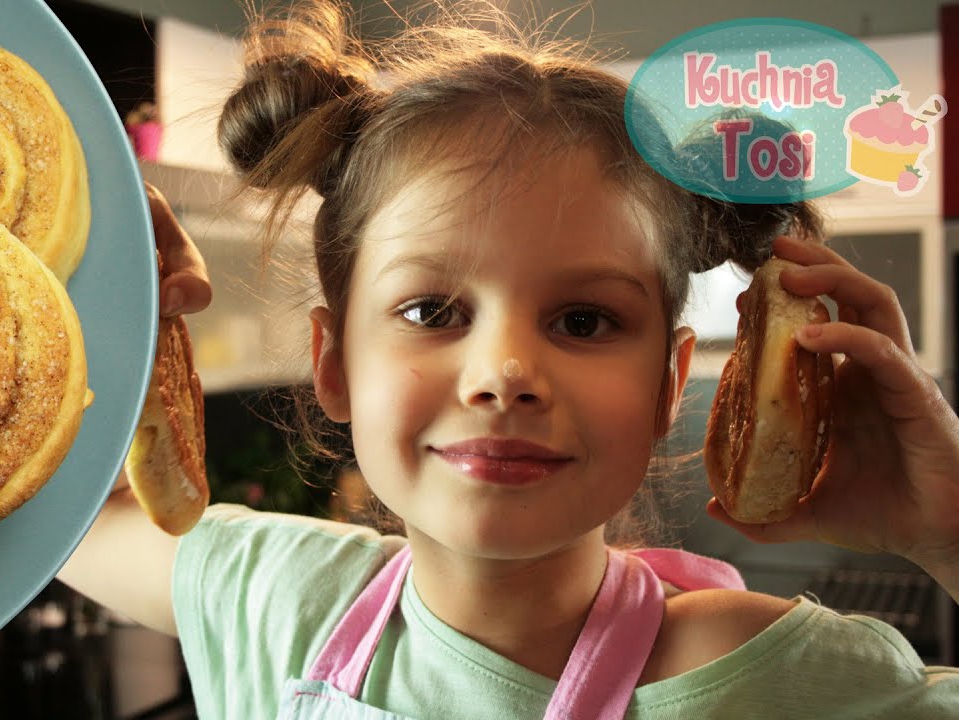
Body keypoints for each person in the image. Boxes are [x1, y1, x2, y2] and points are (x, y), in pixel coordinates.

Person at [58, 2, 959, 717]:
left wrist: (948, 531)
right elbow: (45, 512)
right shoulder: (272, 596)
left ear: (669, 386)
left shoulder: (761, 680)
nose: (504, 373)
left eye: (582, 319)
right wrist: (85, 265)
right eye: (431, 310)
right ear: (333, 364)